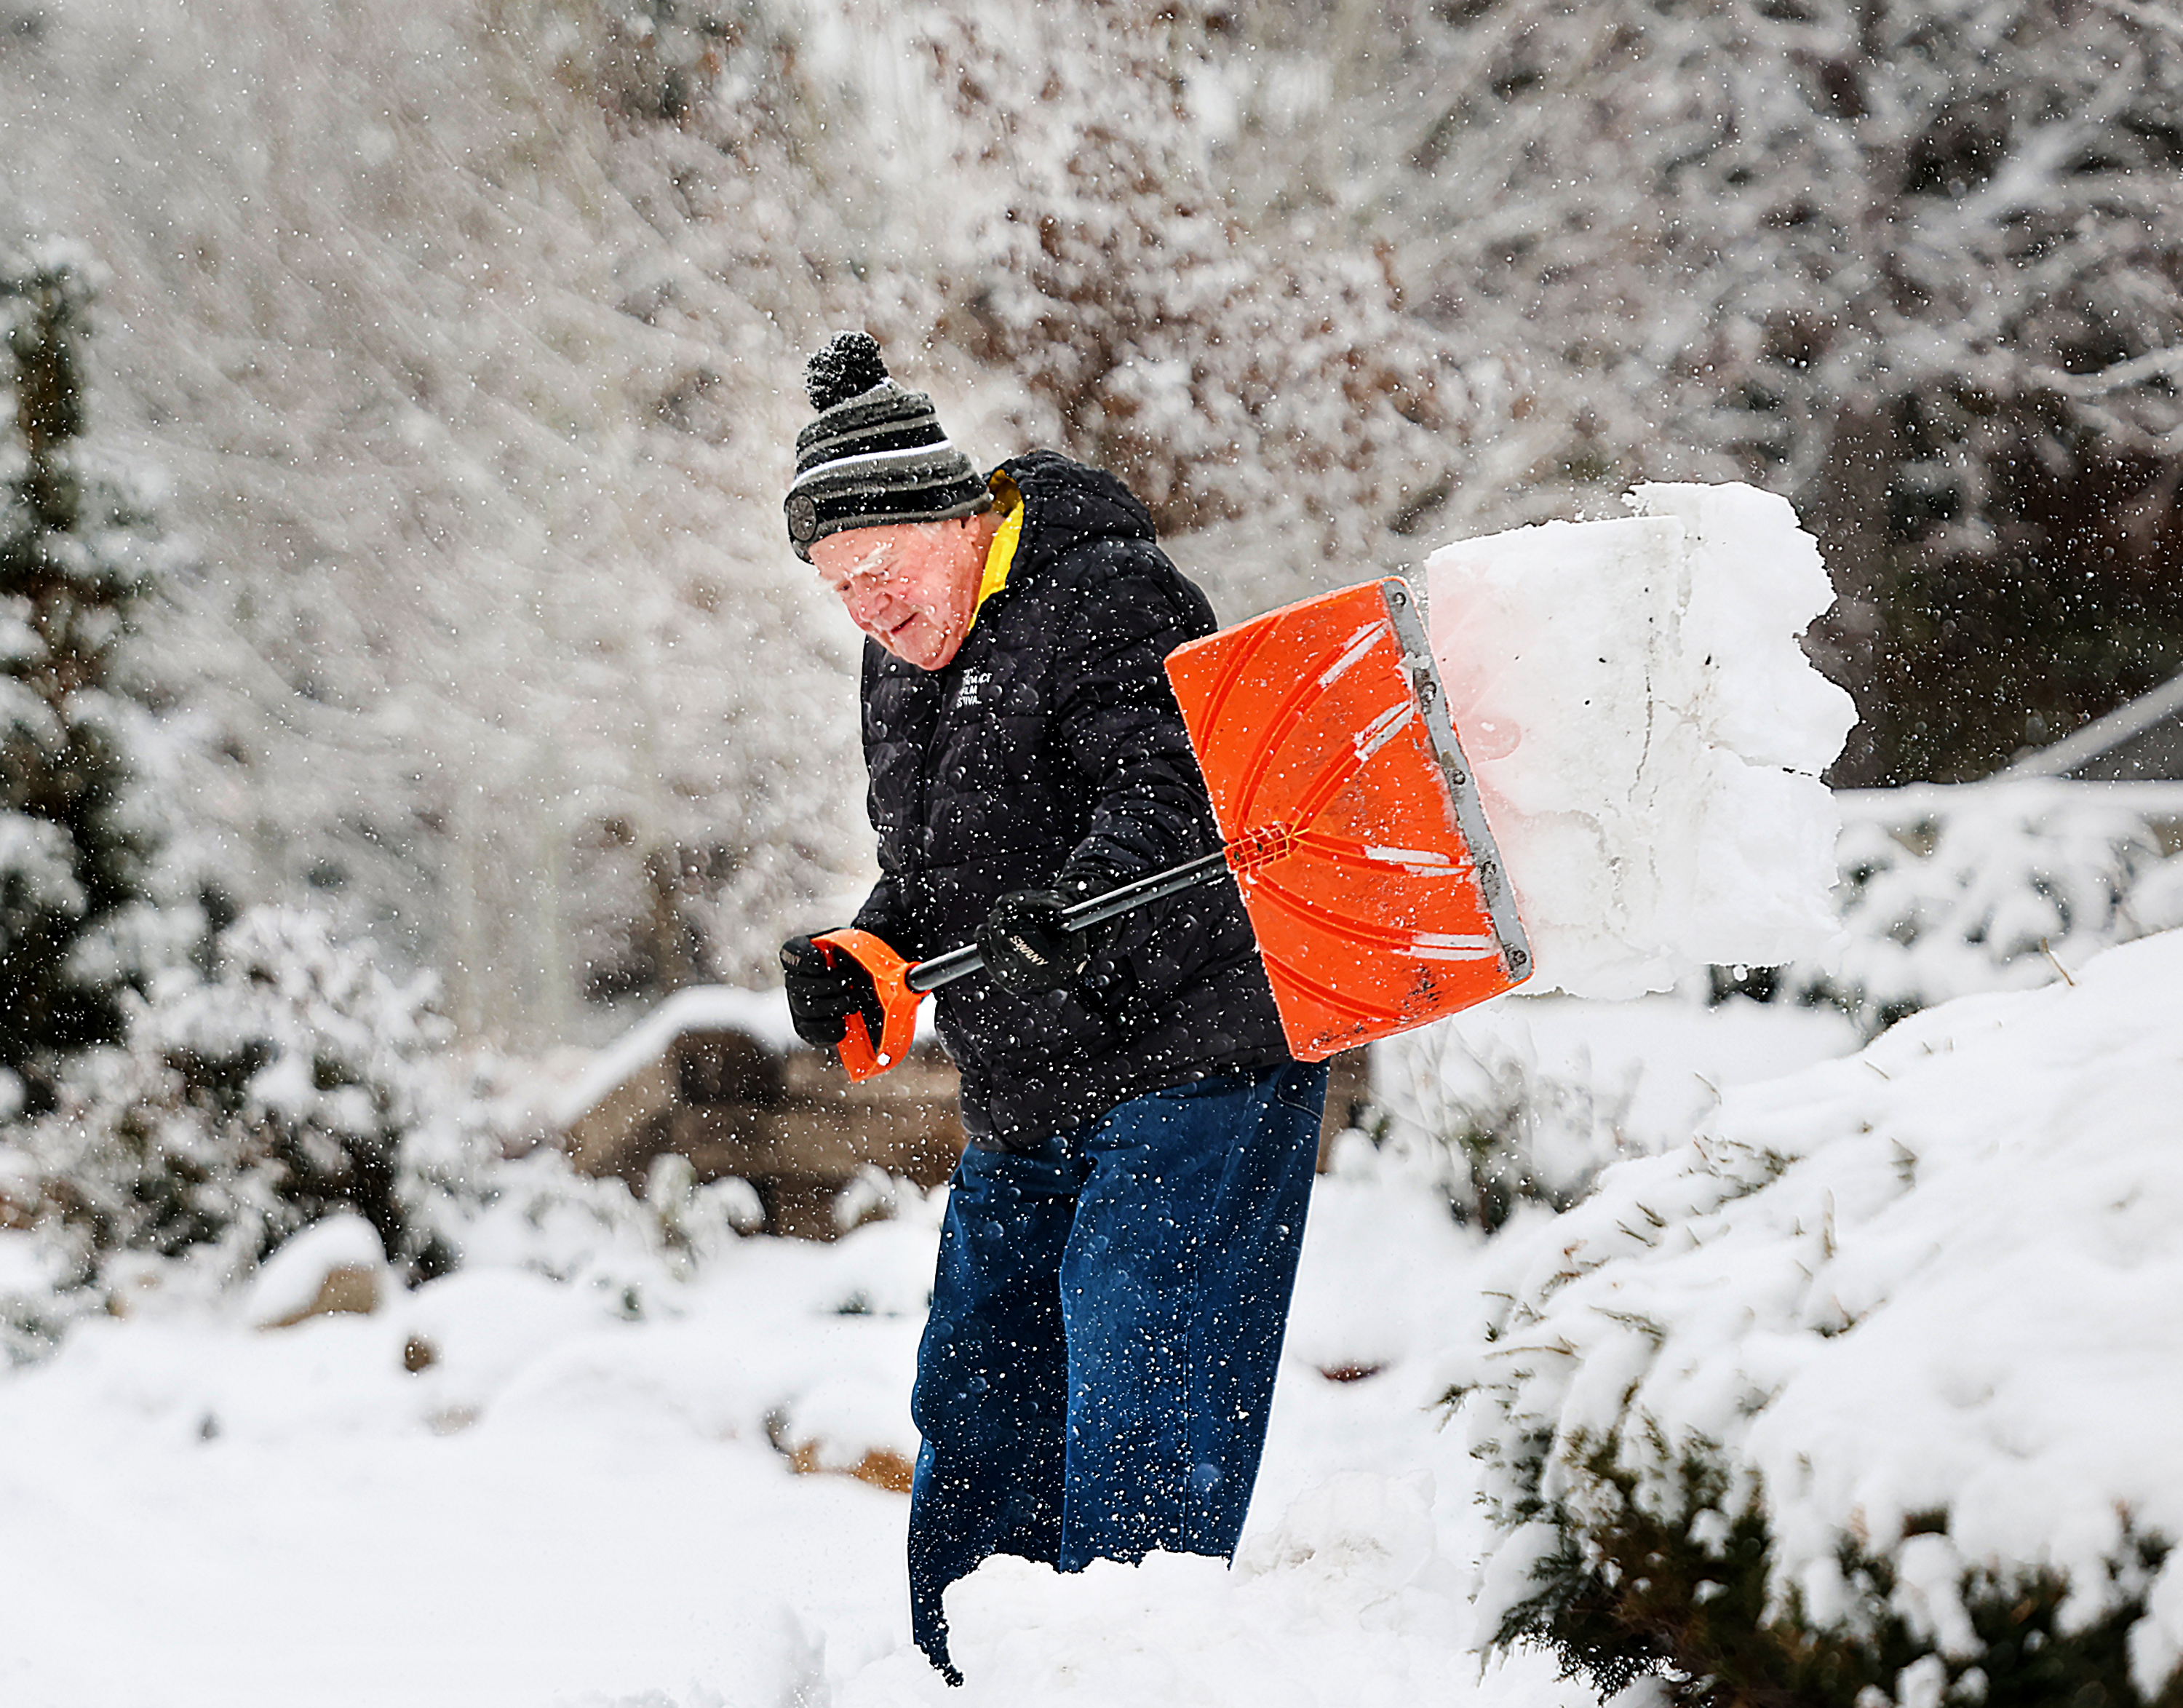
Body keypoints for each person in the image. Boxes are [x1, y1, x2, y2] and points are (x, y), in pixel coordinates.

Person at [777, 331, 1326, 1683]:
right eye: (838, 589)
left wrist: (1069, 911)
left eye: (882, 570)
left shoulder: (1107, 593)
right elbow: (940, 865)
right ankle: (968, 1676)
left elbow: (1177, 796)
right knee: (979, 1391)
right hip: (1033, 1089)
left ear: (957, 518)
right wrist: (870, 943)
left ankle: (1130, 1676)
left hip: (1197, 1060)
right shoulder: (902, 658)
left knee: (1143, 1357)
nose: (870, 610)